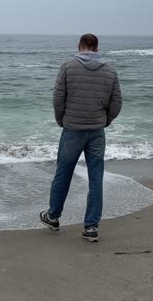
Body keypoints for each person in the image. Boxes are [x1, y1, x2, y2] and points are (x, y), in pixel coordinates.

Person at [40, 33, 122, 242]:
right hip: (96, 131)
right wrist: (106, 120)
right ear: (96, 48)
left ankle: (53, 216)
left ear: (79, 47)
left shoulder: (68, 67)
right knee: (96, 178)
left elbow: (58, 98)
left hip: (72, 129)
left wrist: (61, 120)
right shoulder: (110, 70)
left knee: (63, 174)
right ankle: (91, 227)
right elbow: (116, 102)